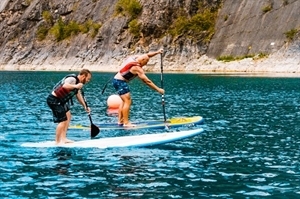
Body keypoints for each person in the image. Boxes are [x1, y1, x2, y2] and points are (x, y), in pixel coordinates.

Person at [112, 49, 165, 127]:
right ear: (142, 60)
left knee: (124, 101)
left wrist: (157, 52)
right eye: (146, 62)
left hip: (116, 80)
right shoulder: (137, 68)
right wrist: (158, 89)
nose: (145, 64)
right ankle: (126, 123)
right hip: (120, 82)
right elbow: (147, 81)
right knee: (127, 101)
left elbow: (147, 55)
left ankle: (120, 121)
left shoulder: (134, 58)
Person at [47, 69, 92, 145]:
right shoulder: (72, 79)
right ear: (83, 76)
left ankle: (64, 138)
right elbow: (65, 85)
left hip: (61, 101)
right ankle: (57, 142)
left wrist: (85, 106)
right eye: (88, 79)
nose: (88, 81)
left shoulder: (78, 83)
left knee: (68, 116)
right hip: (54, 100)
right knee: (62, 120)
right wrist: (76, 86)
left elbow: (78, 95)